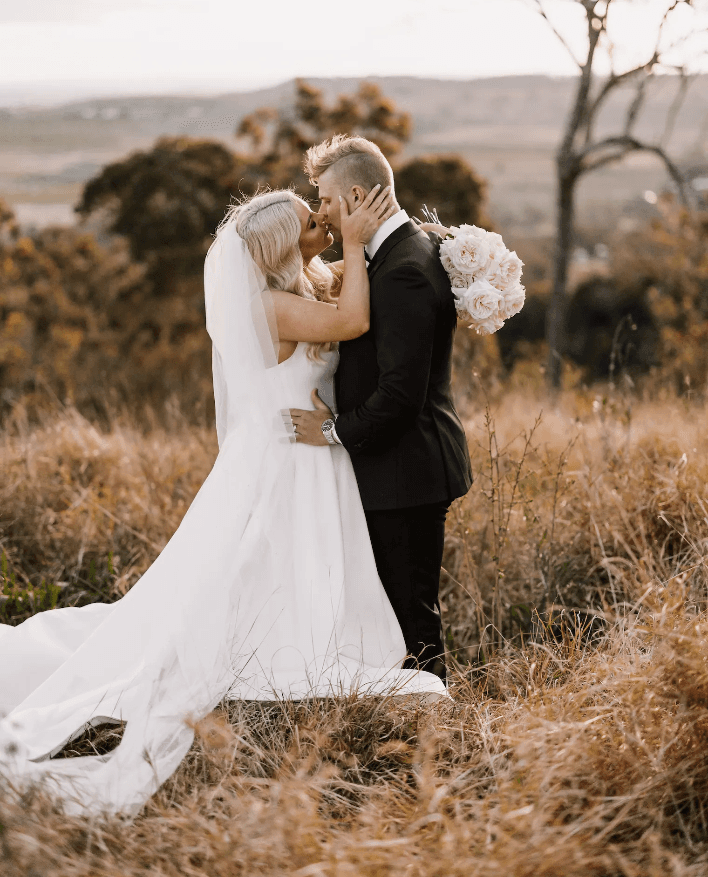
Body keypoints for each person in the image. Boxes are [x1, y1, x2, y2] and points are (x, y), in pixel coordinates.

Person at [0, 185, 448, 818]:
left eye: (317, 217)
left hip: (315, 456)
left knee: (283, 566)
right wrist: (352, 238)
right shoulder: (269, 307)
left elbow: (365, 283)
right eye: (310, 225)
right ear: (282, 251)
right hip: (289, 459)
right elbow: (352, 322)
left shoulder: (304, 284)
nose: (322, 224)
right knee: (257, 570)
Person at [290, 135, 473, 684]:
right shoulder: (396, 253)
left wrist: (332, 430)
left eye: (323, 198)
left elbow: (400, 394)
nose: (320, 210)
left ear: (354, 194)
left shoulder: (403, 270)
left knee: (410, 613)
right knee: (398, 609)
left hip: (407, 471)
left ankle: (436, 731)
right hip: (398, 469)